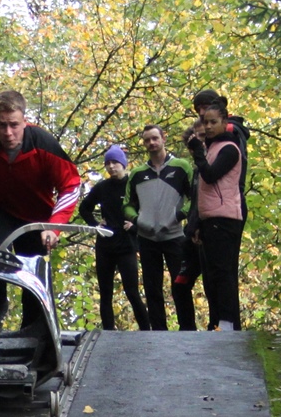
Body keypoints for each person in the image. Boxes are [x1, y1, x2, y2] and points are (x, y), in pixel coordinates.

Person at [0, 90, 82, 331]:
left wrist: (54, 226)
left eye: (14, 125)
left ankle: (32, 328)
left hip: (36, 216)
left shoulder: (45, 145)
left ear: (25, 121)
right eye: (1, 126)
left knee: (32, 270)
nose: (8, 133)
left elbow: (71, 186)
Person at [124, 125, 195, 331]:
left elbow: (195, 198)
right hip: (147, 239)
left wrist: (178, 215)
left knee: (180, 285)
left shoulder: (182, 167)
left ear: (164, 138)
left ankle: (188, 329)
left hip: (174, 235)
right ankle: (158, 332)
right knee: (151, 287)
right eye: (147, 140)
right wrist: (137, 221)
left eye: (155, 138)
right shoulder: (137, 173)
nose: (151, 143)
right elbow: (127, 204)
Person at [184, 98, 246, 330]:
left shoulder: (229, 149)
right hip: (209, 219)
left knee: (223, 272)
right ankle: (218, 323)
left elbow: (210, 176)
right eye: (205, 122)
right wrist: (197, 223)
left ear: (224, 122)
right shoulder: (211, 148)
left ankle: (228, 323)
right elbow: (202, 191)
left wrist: (198, 153)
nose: (208, 127)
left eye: (213, 122)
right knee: (211, 274)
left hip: (226, 218)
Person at [77, 144, 149, 330]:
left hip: (127, 245)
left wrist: (135, 224)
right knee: (105, 292)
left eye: (115, 162)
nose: (111, 166)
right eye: (107, 163)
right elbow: (84, 208)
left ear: (123, 164)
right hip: (105, 244)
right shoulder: (102, 187)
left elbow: (148, 210)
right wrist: (94, 224)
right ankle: (108, 333)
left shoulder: (134, 185)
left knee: (132, 291)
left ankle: (147, 330)